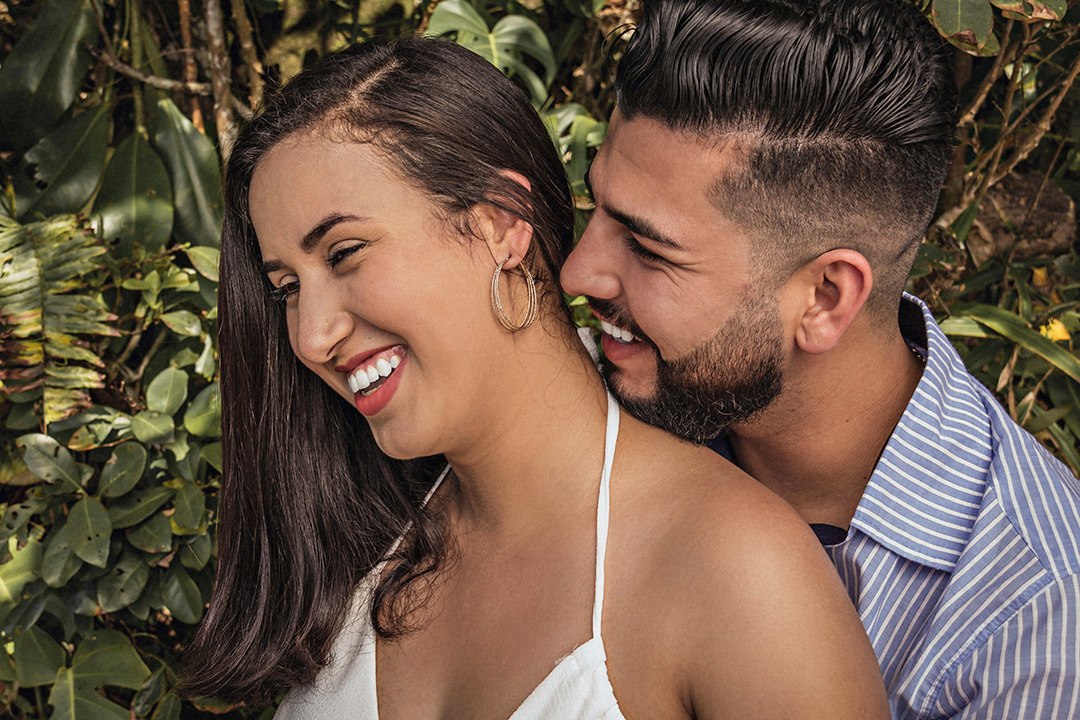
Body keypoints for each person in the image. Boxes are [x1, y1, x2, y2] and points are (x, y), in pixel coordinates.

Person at [180, 37, 888, 718]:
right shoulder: (350, 530)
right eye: (286, 289)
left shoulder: (734, 570)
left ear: (500, 224)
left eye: (344, 254)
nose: (311, 335)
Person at [560, 0, 1080, 717]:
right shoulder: (609, 390)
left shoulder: (1033, 628)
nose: (578, 273)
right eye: (598, 210)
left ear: (826, 299)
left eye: (649, 249)